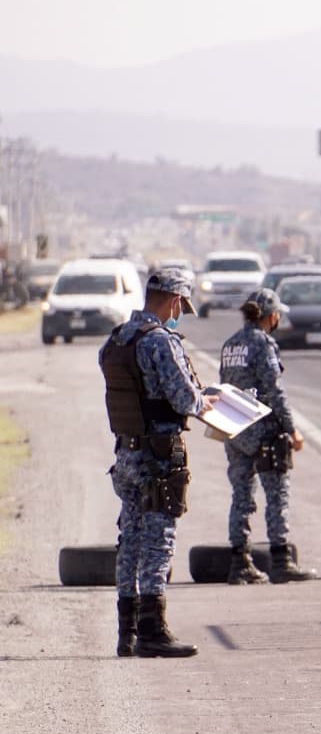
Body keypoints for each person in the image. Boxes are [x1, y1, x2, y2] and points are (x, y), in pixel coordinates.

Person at [99, 267, 217, 658]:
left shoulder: (116, 340)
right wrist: (206, 403)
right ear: (173, 301)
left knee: (129, 540)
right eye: (181, 305)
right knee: (158, 542)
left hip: (126, 455)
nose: (179, 312)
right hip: (158, 457)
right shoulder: (160, 342)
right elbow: (184, 399)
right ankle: (153, 629)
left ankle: (126, 632)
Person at [218, 288, 314, 585]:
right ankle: (281, 560)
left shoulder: (230, 344)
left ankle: (239, 562)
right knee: (276, 496)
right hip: (263, 432)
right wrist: (291, 429)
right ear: (271, 316)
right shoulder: (263, 344)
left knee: (241, 496)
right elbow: (274, 391)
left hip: (234, 426)